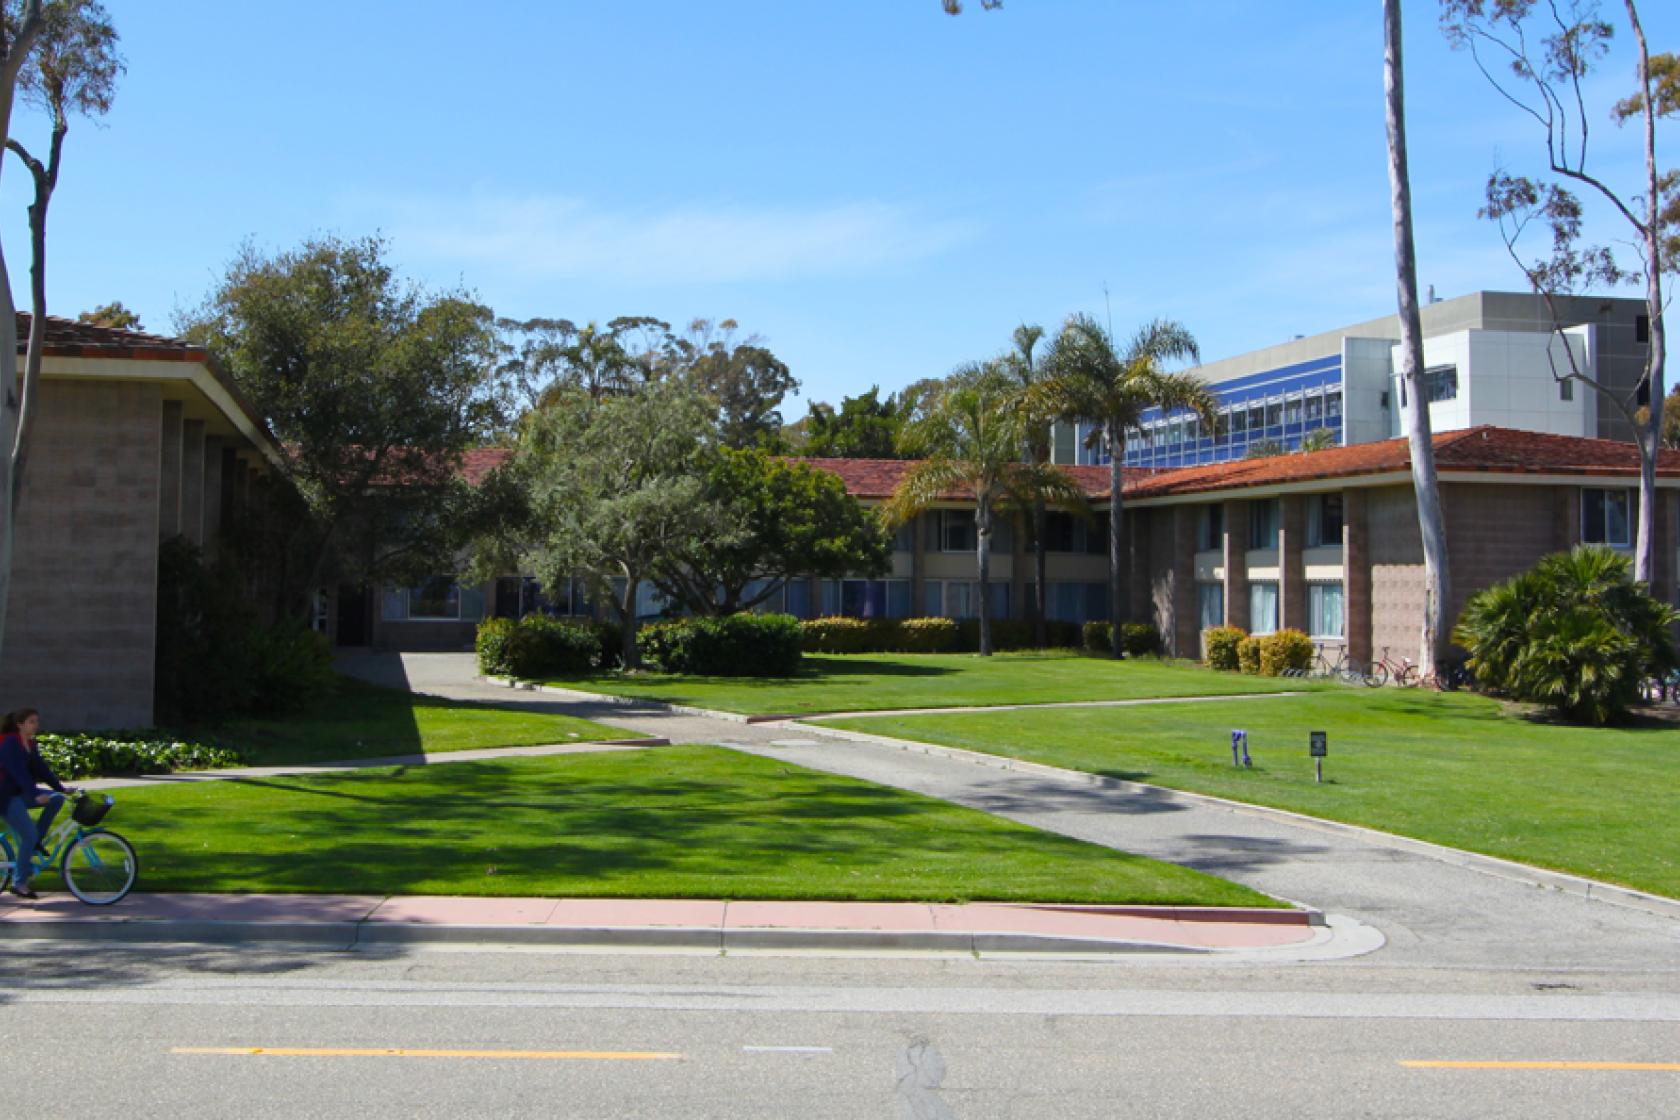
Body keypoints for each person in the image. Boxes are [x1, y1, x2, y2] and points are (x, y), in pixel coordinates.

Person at [0, 708, 70, 899]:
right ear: (19, 725)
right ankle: (19, 883)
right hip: (5, 796)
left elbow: (41, 769)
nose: (35, 725)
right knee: (28, 835)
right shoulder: (10, 743)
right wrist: (35, 794)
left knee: (56, 799)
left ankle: (35, 842)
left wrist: (61, 788)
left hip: (19, 793)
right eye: (31, 721)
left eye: (36, 721)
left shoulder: (29, 743)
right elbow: (18, 773)